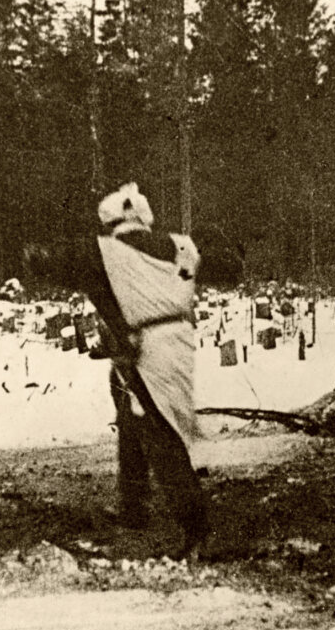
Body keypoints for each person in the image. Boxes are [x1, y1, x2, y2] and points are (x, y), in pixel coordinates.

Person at [25, 183, 241, 559]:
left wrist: (37, 254)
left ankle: (199, 528)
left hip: (148, 347)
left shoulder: (104, 249)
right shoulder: (181, 245)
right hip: (173, 340)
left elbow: (46, 259)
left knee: (161, 434)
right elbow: (230, 269)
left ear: (111, 222)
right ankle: (134, 505)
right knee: (130, 417)